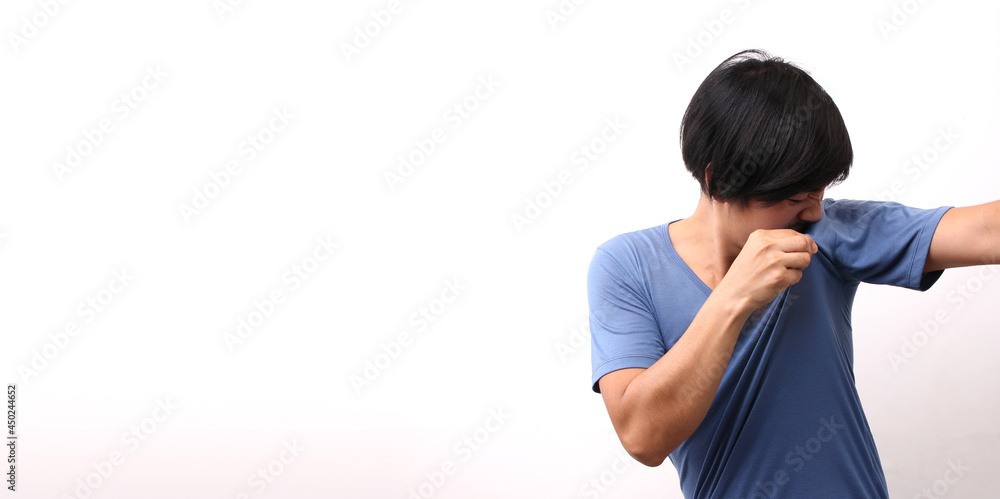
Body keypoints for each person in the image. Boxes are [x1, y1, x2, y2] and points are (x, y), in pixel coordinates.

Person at [587, 49, 998, 498]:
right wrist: (734, 296)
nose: (815, 211)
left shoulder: (826, 232)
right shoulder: (626, 266)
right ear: (720, 182)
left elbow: (984, 231)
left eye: (819, 192)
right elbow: (643, 436)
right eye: (796, 198)